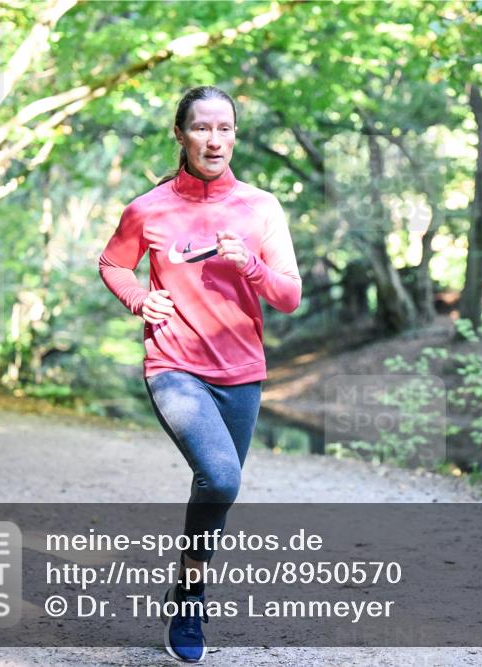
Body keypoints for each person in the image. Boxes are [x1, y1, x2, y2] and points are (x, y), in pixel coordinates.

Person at [98, 85, 302, 663]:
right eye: (203, 128)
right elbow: (114, 262)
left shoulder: (261, 207)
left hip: (242, 369)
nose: (215, 139)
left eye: (226, 128)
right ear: (181, 135)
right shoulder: (149, 207)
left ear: (236, 135)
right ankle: (192, 598)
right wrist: (140, 298)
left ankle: (186, 586)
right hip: (174, 363)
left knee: (215, 487)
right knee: (222, 477)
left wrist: (252, 266)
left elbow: (289, 296)